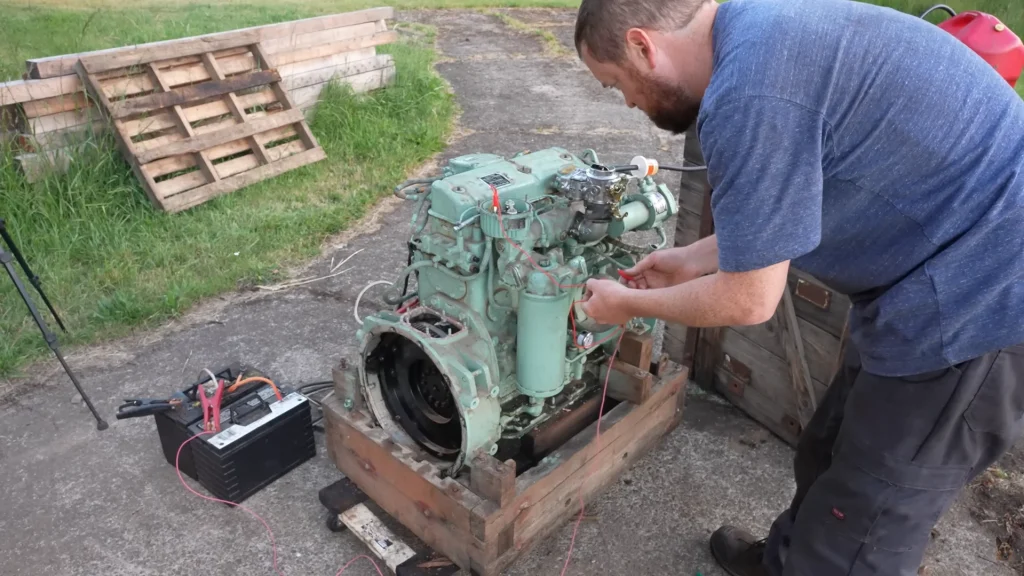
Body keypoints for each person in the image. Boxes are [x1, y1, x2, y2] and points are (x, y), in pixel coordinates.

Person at [572, 0, 1024, 574]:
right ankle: (787, 562)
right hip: (927, 270)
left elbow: (750, 300)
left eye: (617, 86)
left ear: (643, 46)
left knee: (866, 521)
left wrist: (627, 304)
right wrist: (694, 258)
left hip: (983, 301)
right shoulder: (760, 32)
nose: (631, 103)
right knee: (828, 449)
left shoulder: (749, 94)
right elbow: (796, 195)